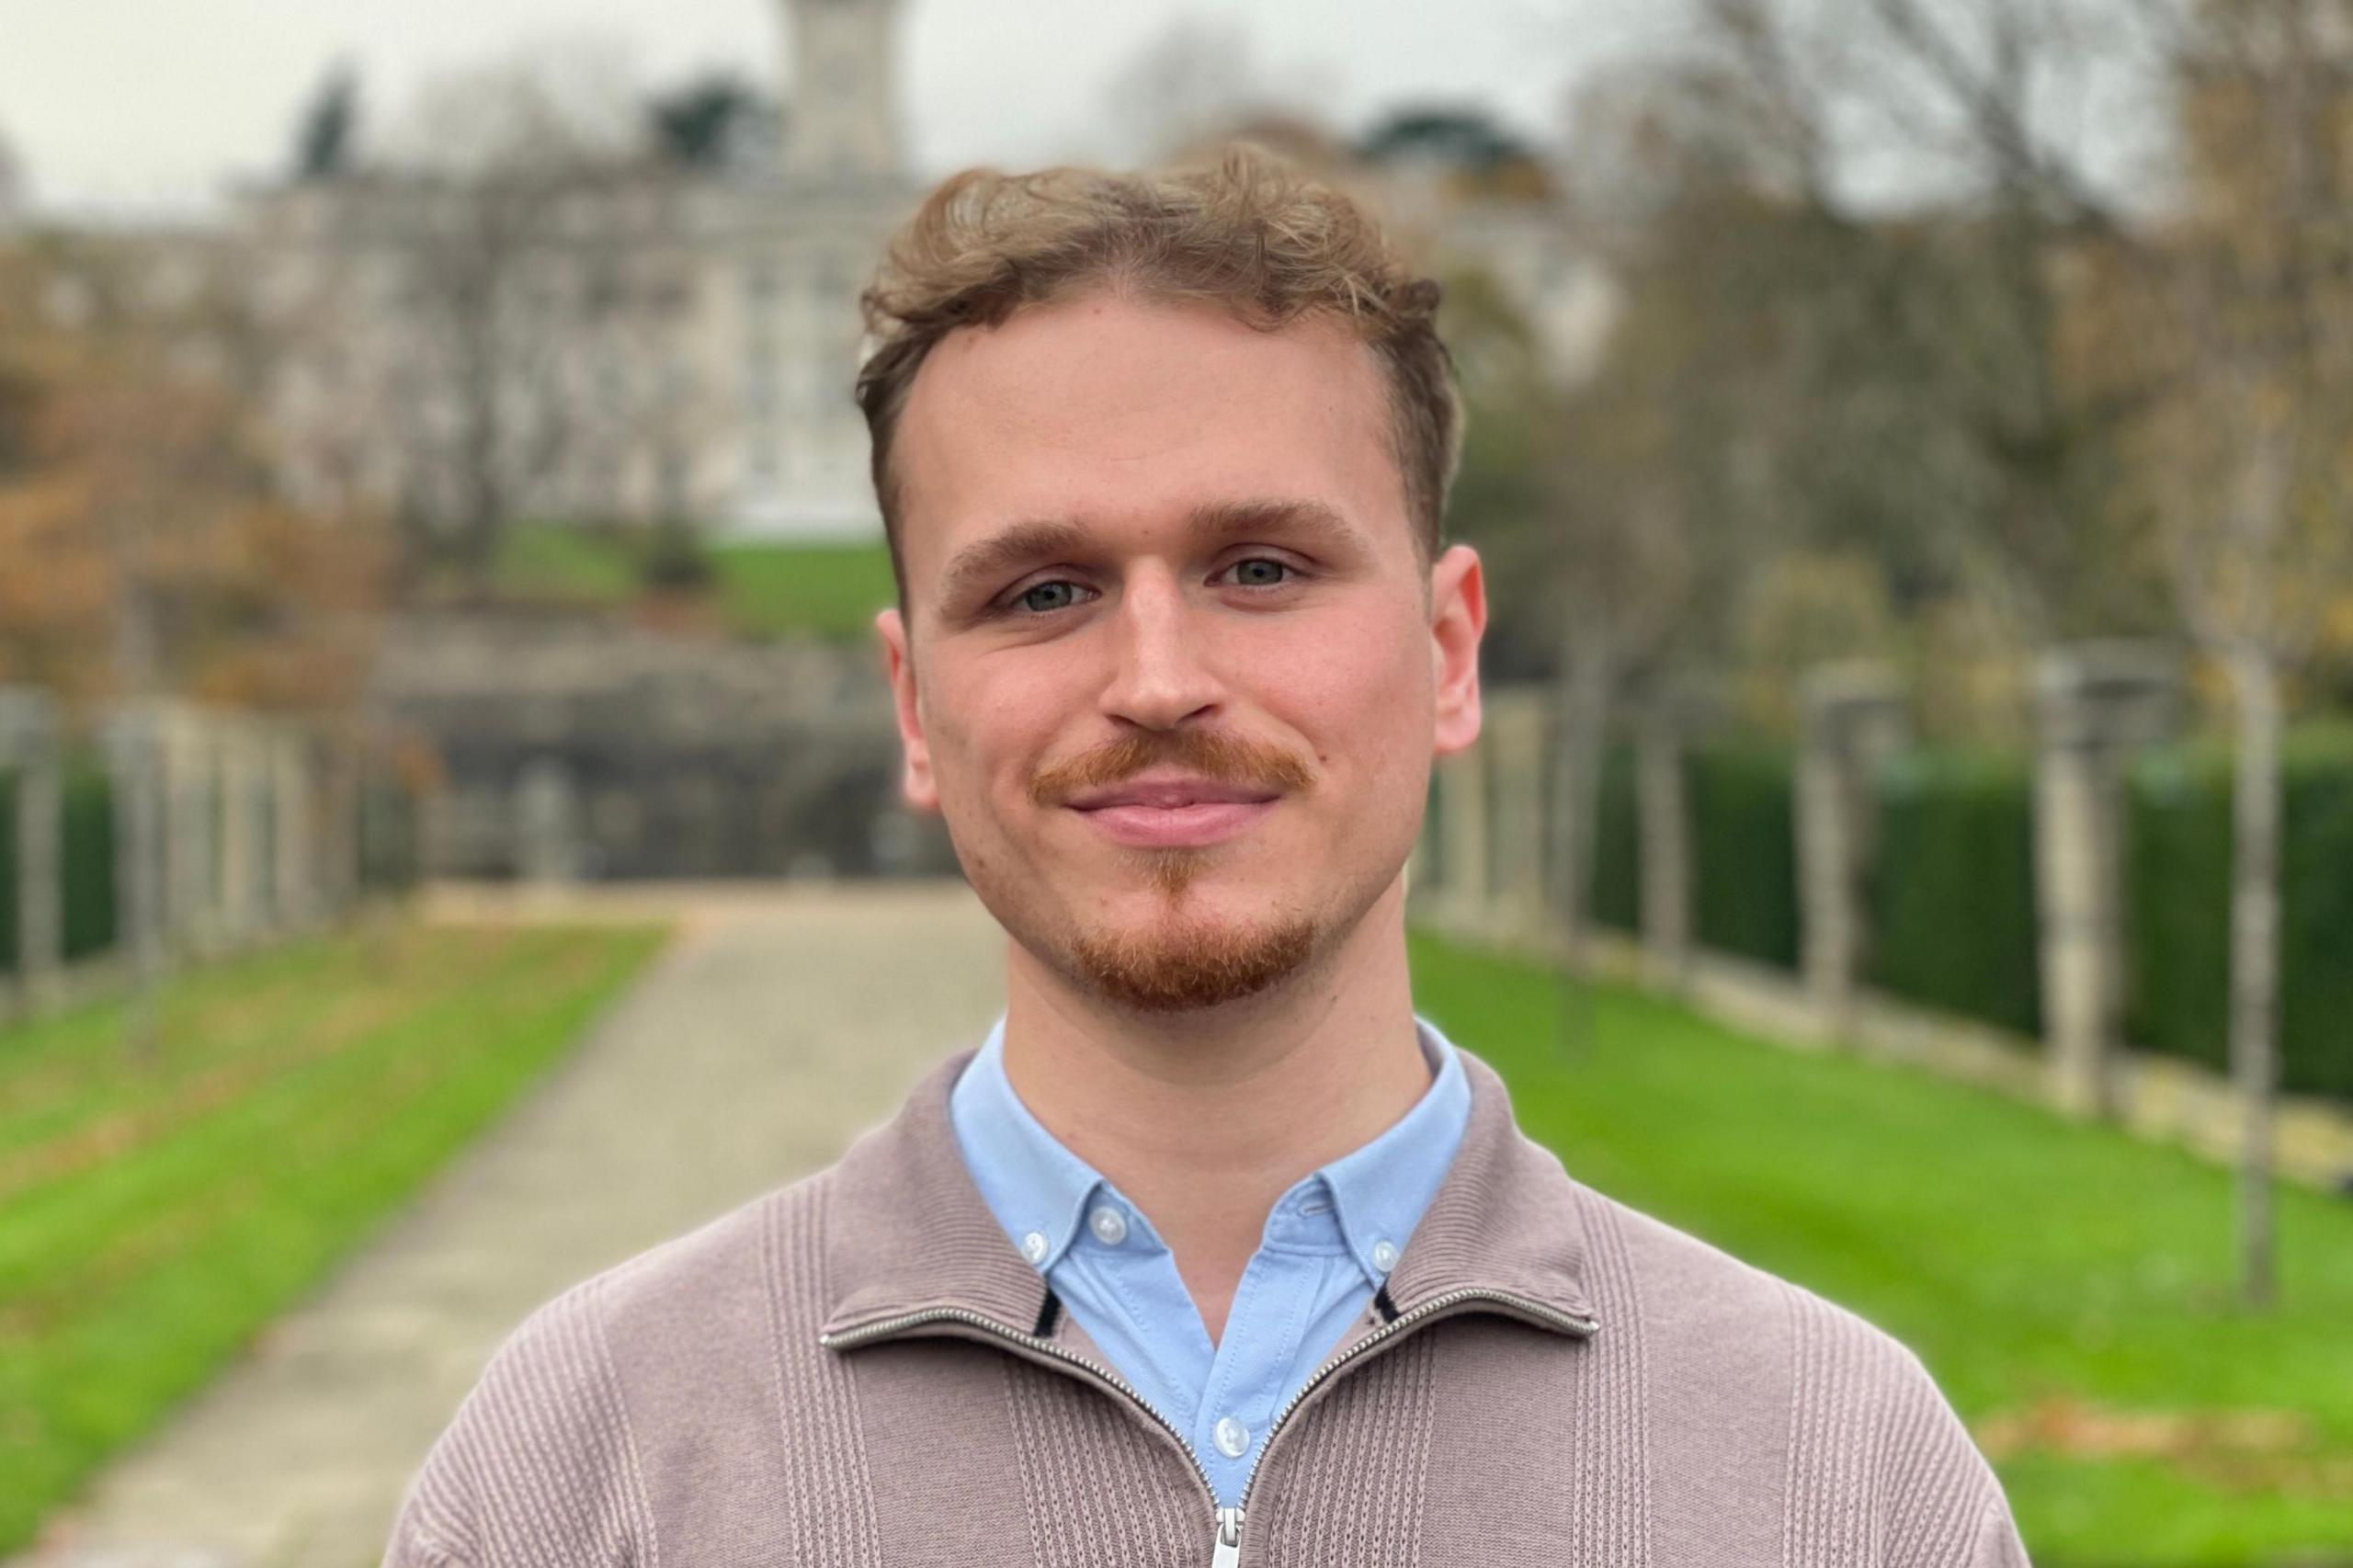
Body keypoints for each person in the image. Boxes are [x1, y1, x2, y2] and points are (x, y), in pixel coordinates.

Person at [382, 148, 2029, 1567]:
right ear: (911, 703)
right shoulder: (587, 1465)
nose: (1157, 676)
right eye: (1042, 590)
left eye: (1259, 565)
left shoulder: (1834, 1471)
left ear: (1450, 649)